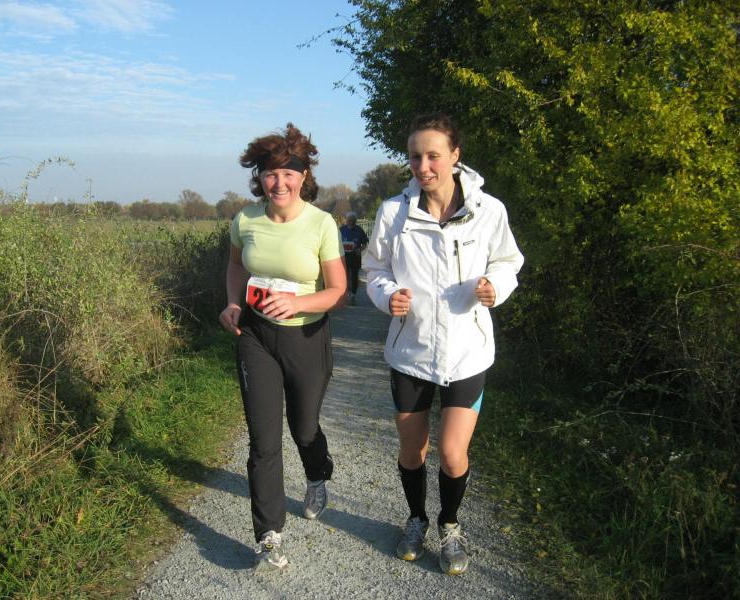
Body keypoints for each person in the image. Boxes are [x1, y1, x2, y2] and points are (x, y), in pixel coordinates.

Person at [363, 113, 523, 575]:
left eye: (433, 155)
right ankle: (416, 519)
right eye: (415, 156)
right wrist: (387, 295)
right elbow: (374, 270)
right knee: (413, 451)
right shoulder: (393, 213)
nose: (423, 166)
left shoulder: (488, 210)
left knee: (453, 454)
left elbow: (508, 262)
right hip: (410, 353)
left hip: (467, 352)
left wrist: (495, 285)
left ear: (455, 155)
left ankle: (450, 525)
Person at [218, 123, 347, 572]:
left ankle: (317, 474)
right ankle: (268, 533)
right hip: (256, 337)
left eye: (288, 173)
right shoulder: (245, 220)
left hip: (306, 337)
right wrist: (233, 304)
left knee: (304, 429)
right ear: (259, 177)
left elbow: (339, 291)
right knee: (263, 439)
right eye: (270, 173)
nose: (279, 182)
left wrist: (297, 303)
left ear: (303, 176)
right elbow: (236, 266)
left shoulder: (320, 223)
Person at [339, 211, 368, 305]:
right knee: (344, 275)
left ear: (355, 221)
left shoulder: (359, 230)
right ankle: (345, 293)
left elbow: (365, 244)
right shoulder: (341, 229)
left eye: (352, 220)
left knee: (354, 276)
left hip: (355, 256)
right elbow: (335, 241)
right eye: (349, 220)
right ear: (346, 220)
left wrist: (360, 249)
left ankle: (353, 295)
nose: (350, 222)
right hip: (344, 256)